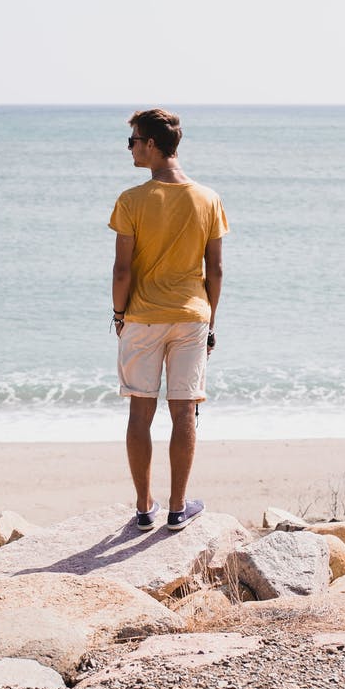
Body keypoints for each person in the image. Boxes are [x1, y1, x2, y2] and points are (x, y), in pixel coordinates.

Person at [110, 108, 228, 531]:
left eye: (133, 142)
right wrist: (210, 322)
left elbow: (122, 270)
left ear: (153, 146)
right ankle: (178, 508)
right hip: (192, 316)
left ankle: (144, 509)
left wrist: (119, 314)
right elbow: (214, 270)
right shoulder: (208, 198)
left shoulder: (132, 200)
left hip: (142, 317)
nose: (130, 149)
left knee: (140, 414)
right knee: (184, 412)